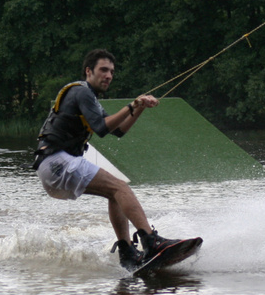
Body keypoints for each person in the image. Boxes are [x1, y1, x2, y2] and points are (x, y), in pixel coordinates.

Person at [33, 49, 181, 270]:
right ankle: (152, 242)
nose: (109, 75)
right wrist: (131, 105)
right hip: (56, 161)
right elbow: (102, 128)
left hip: (52, 167)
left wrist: (138, 108)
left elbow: (119, 130)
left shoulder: (89, 98)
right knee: (120, 187)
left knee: (116, 194)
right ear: (88, 71)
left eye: (111, 72)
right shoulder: (81, 92)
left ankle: (128, 253)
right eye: (103, 70)